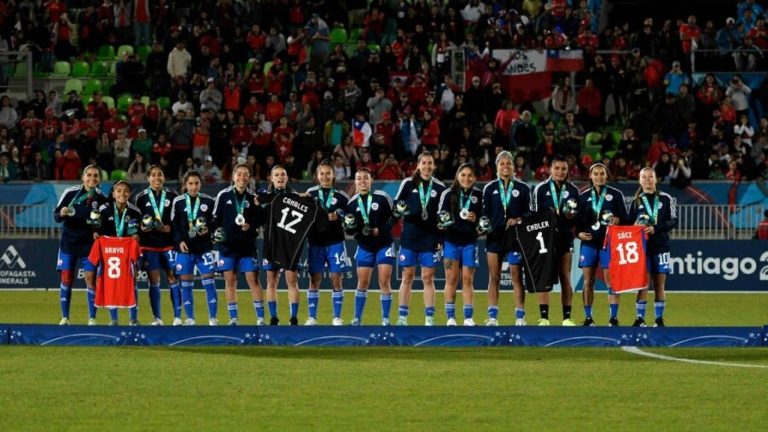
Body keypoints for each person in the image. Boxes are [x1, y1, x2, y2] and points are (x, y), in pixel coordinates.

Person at [393, 151, 447, 325]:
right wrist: (401, 209)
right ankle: (402, 317)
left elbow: (443, 217)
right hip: (410, 237)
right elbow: (396, 206)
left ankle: (429, 318)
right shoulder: (408, 183)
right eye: (423, 163)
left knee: (428, 277)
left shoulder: (440, 188)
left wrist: (440, 239)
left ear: (434, 166)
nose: (427, 166)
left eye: (430, 163)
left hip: (430, 239)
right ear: (418, 166)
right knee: (407, 276)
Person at [213, 163, 267, 325]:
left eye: (245, 174)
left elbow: (261, 220)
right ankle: (233, 318)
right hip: (227, 246)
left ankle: (260, 318)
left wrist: (251, 224)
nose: (242, 177)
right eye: (239, 174)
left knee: (253, 280)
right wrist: (216, 232)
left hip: (247, 246)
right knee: (230, 281)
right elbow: (215, 219)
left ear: (249, 178)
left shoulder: (253, 197)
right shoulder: (223, 195)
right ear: (233, 176)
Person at [53, 165, 108, 325]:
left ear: (99, 179)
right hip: (68, 244)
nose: (92, 178)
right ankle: (65, 317)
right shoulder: (70, 193)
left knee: (90, 279)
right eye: (89, 175)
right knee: (66, 278)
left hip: (89, 246)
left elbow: (104, 223)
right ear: (83, 177)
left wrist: (99, 231)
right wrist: (61, 213)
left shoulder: (102, 198)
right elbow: (56, 215)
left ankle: (92, 318)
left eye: (96, 176)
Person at [576, 163, 629, 326]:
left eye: (602, 173)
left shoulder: (616, 195)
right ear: (590, 176)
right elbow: (576, 222)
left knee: (611, 282)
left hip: (609, 244)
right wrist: (578, 234)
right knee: (588, 282)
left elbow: (626, 219)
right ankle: (588, 317)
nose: (599, 176)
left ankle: (613, 318)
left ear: (606, 176)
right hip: (589, 244)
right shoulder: (583, 197)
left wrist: (618, 220)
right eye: (596, 174)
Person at [531, 154, 580, 326]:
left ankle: (567, 317)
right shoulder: (540, 189)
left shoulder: (573, 190)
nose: (560, 172)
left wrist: (570, 216)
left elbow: (576, 217)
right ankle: (544, 317)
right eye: (557, 168)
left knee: (565, 276)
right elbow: (533, 216)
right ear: (551, 169)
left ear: (567, 171)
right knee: (544, 277)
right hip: (544, 238)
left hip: (565, 237)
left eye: (564, 169)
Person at [482, 151, 530, 326]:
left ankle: (520, 317)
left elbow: (528, 214)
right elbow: (484, 214)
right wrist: (483, 224)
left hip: (515, 238)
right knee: (494, 277)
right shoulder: (489, 188)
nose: (505, 167)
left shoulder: (523, 188)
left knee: (516, 277)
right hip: (494, 237)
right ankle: (493, 316)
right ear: (497, 167)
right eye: (502, 164)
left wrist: (518, 220)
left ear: (513, 167)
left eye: (508, 164)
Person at [344, 167, 396, 325]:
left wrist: (380, 230)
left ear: (371, 180)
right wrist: (351, 226)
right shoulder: (352, 203)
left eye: (365, 178)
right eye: (359, 179)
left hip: (384, 244)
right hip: (365, 246)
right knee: (363, 282)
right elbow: (349, 229)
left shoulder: (382, 197)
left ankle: (385, 318)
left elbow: (393, 218)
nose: (362, 181)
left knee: (384, 281)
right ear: (355, 182)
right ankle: (357, 318)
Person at [628, 167, 678, 327]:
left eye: (650, 177)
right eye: (644, 177)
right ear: (640, 180)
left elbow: (673, 221)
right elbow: (628, 223)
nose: (648, 180)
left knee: (659, 285)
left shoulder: (666, 198)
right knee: (642, 284)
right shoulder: (636, 201)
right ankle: (639, 319)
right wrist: (635, 226)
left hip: (661, 246)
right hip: (641, 248)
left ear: (655, 179)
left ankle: (658, 320)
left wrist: (656, 228)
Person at [133, 166, 180, 326]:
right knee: (154, 279)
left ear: (164, 178)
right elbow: (135, 220)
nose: (157, 178)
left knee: (173, 277)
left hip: (169, 245)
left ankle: (178, 317)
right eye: (153, 175)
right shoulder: (141, 197)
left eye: (160, 174)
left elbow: (179, 219)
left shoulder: (173, 196)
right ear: (148, 178)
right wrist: (142, 228)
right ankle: (157, 318)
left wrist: (170, 228)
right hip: (149, 245)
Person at [304, 160, 350, 325]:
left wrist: (340, 217)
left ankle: (337, 317)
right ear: (317, 176)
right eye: (321, 173)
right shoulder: (310, 194)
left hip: (335, 242)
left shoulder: (342, 196)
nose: (325, 176)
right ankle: (312, 317)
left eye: (328, 173)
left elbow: (350, 220)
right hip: (315, 243)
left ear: (333, 175)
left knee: (336, 278)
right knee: (314, 279)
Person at [438, 163, 483, 326]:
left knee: (467, 280)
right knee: (451, 279)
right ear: (458, 176)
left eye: (470, 175)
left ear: (475, 178)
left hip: (470, 243)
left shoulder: (479, 195)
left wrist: (475, 219)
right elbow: (440, 217)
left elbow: (485, 222)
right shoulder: (448, 194)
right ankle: (450, 317)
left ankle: (468, 318)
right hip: (451, 242)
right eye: (463, 175)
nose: (466, 178)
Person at [92, 180, 142, 325]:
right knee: (110, 282)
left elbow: (139, 232)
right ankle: (113, 319)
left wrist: (137, 236)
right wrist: (96, 233)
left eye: (125, 190)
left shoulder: (135, 211)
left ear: (130, 194)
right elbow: (97, 227)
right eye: (118, 190)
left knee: (132, 282)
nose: (122, 193)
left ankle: (133, 318)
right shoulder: (104, 209)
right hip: (109, 252)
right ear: (113, 194)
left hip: (127, 251)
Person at [171, 171, 218, 325]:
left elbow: (215, 223)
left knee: (209, 282)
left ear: (200, 184)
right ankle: (190, 318)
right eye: (190, 183)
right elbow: (174, 225)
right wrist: (179, 242)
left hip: (204, 249)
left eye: (196, 183)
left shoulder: (209, 201)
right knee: (186, 285)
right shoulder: (178, 201)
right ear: (185, 185)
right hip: (184, 250)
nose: (193, 187)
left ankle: (212, 318)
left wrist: (209, 230)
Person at [259, 165, 302, 325]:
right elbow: (259, 218)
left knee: (292, 281)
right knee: (271, 281)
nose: (280, 177)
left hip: (290, 245)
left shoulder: (295, 196)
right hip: (271, 243)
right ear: (271, 178)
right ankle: (274, 317)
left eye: (283, 174)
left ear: (287, 178)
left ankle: (293, 318)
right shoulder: (264, 196)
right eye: (276, 175)